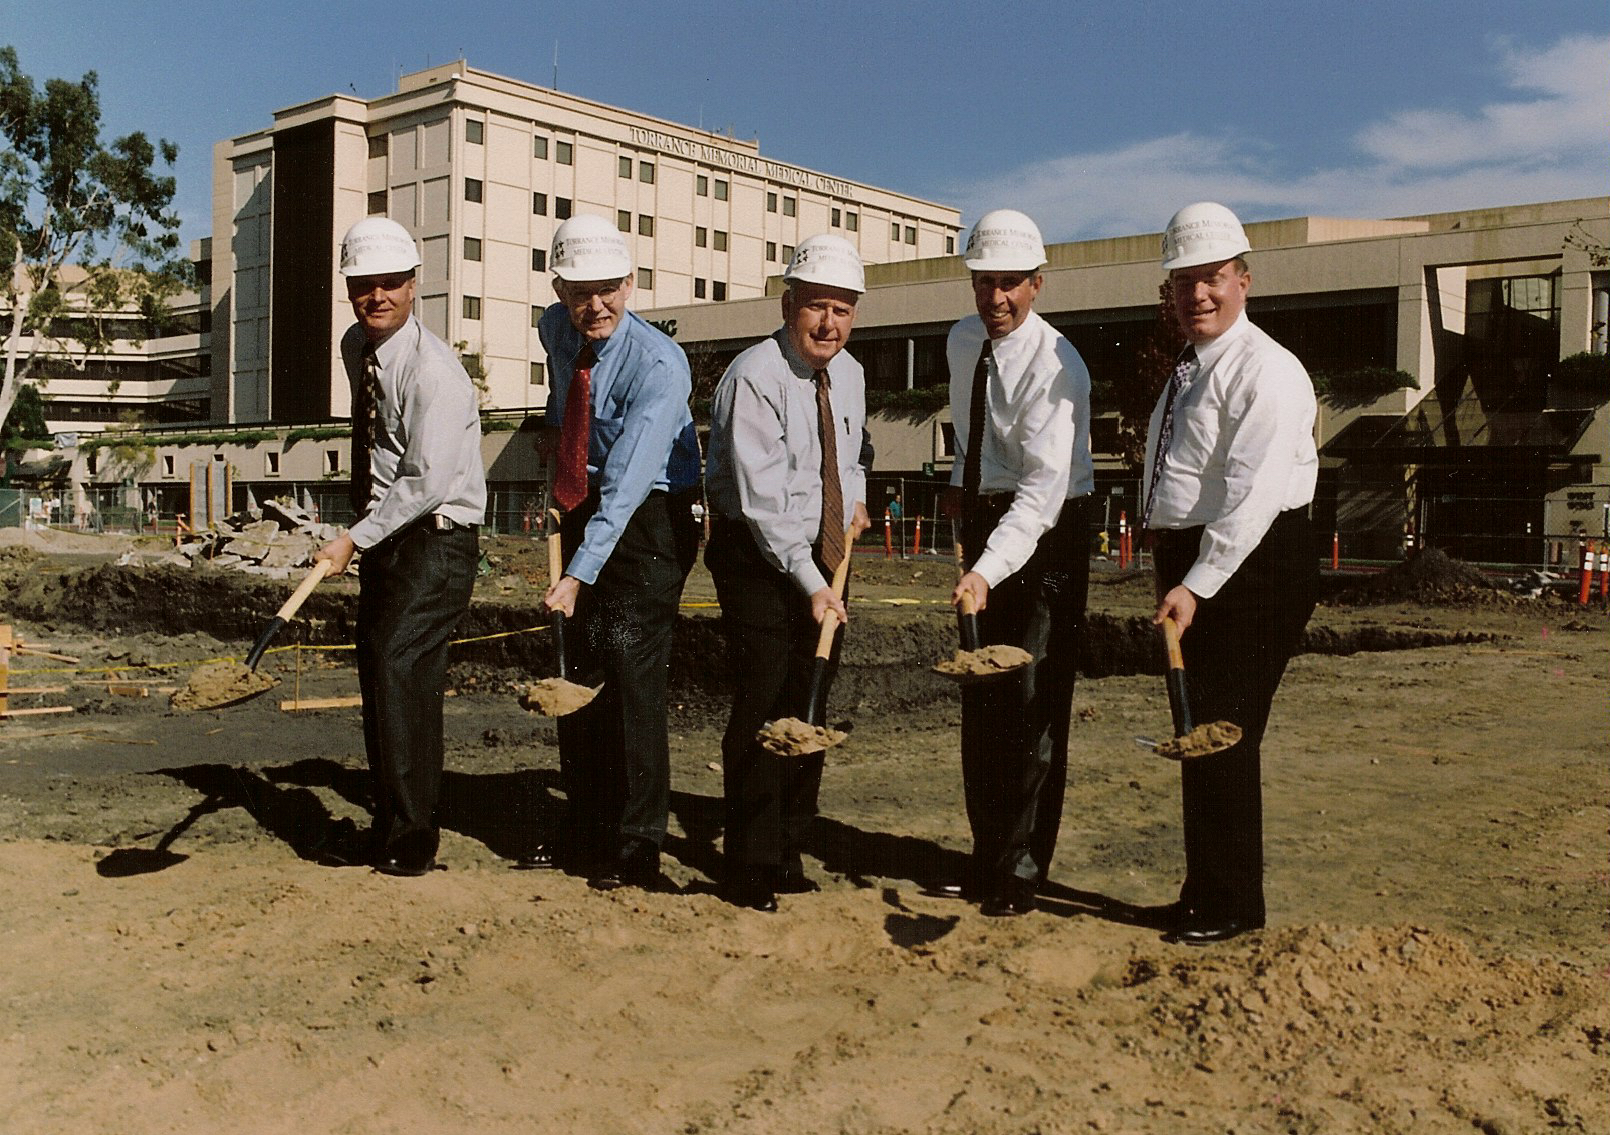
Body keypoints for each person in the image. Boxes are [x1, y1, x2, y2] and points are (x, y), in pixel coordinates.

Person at [1142, 202, 1319, 945]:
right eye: (1183, 284)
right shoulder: (1188, 367)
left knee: (1223, 731)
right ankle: (1203, 888)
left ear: (1244, 281)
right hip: (1198, 560)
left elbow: (1250, 500)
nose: (1198, 297)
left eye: (1212, 279)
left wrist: (1196, 583)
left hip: (1253, 565)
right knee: (1196, 727)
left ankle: (1235, 903)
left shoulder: (1268, 371)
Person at [704, 234, 872, 912]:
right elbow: (765, 505)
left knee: (811, 698)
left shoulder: (851, 374)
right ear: (788, 304)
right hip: (755, 554)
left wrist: (854, 503)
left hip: (826, 552)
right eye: (816, 308)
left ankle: (789, 847)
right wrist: (812, 586)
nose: (829, 324)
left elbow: (851, 454)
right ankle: (749, 861)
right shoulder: (753, 378)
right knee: (765, 695)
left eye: (842, 309)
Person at [315, 216, 487, 877]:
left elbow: (422, 481)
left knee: (395, 667)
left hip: (436, 541)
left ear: (416, 285)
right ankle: (394, 826)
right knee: (384, 677)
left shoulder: (434, 373)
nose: (377, 295)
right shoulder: (355, 343)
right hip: (389, 535)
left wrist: (350, 539)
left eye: (391, 283)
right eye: (364, 284)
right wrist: (366, 534)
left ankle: (410, 841)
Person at [535, 213, 701, 891]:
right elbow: (560, 405)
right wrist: (555, 481)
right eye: (579, 290)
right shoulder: (555, 328)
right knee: (581, 665)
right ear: (559, 289)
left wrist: (578, 572)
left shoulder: (659, 364)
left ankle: (638, 846)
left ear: (631, 283)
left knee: (631, 670)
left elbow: (632, 478)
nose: (593, 305)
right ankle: (588, 828)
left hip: (654, 517)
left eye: (608, 289)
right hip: (587, 500)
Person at [943, 209, 1094, 916]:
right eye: (983, 282)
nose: (995, 298)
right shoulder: (961, 340)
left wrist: (987, 568)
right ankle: (985, 853)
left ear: (1038, 283)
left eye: (1010, 284)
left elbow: (1041, 491)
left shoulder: (1059, 365)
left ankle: (1022, 866)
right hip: (987, 517)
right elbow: (971, 437)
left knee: (1032, 699)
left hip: (1049, 529)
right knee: (983, 693)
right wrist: (960, 511)